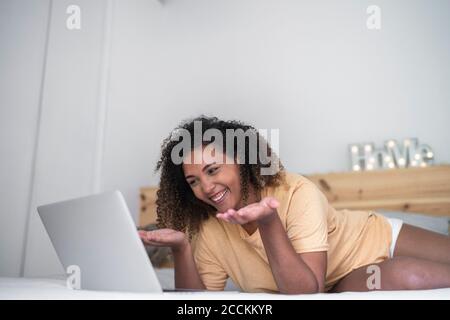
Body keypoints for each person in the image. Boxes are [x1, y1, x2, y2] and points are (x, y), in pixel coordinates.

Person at [139, 116, 450, 294]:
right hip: (335, 282)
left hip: (372, 238)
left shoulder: (296, 190)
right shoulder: (209, 229)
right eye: (193, 181)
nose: (206, 187)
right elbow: (199, 306)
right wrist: (182, 249)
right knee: (410, 278)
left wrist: (268, 219)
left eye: (212, 170)